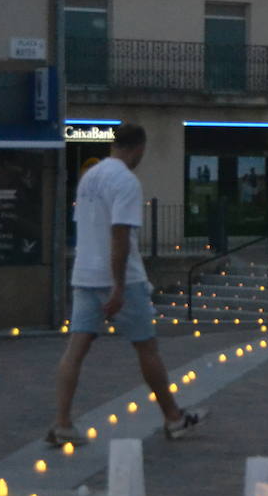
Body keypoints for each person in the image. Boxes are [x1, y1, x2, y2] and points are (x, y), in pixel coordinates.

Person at [47, 124, 199, 445]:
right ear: (138, 148)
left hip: (85, 274)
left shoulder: (89, 178)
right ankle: (173, 418)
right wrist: (117, 286)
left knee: (75, 350)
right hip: (123, 279)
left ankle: (62, 423)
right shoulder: (126, 181)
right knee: (147, 348)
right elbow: (119, 235)